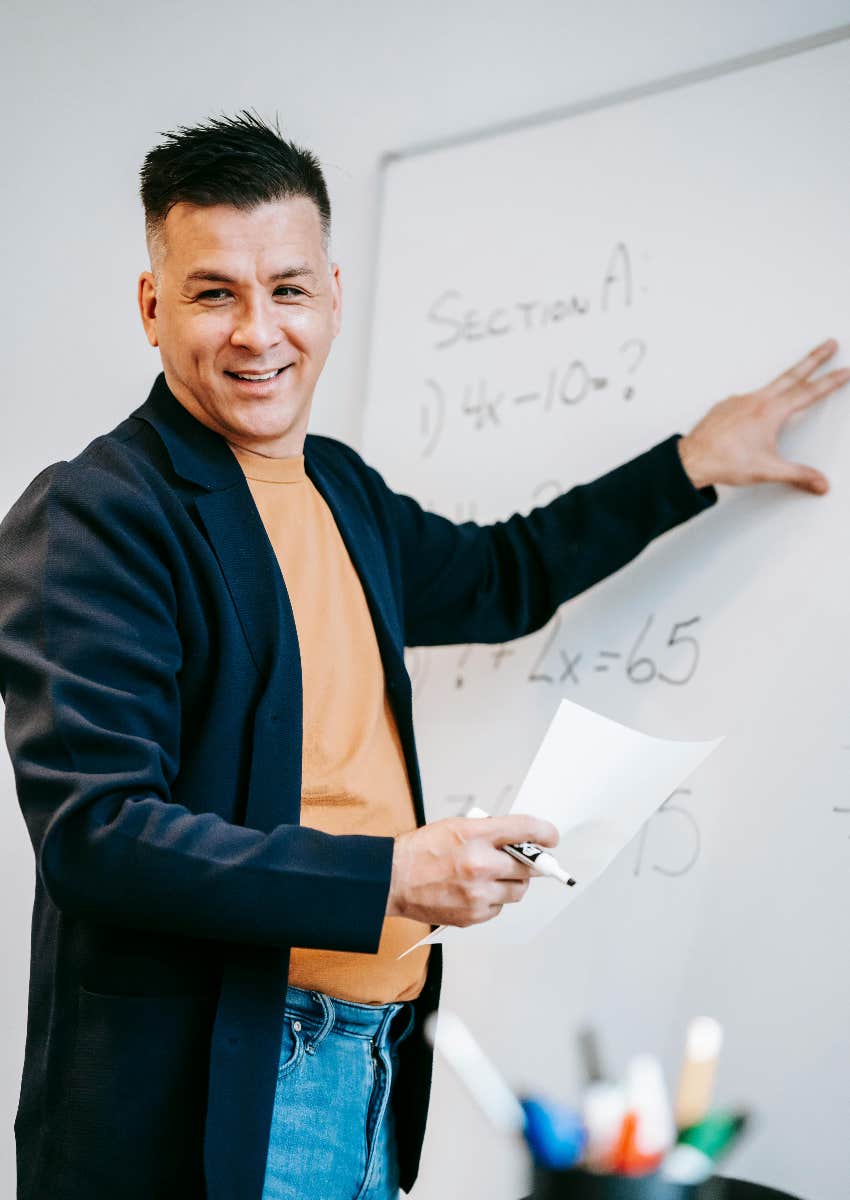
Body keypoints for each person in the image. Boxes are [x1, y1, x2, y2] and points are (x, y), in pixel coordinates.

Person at [0, 111, 846, 1200]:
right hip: (223, 1098)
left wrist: (689, 463)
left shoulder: (340, 487)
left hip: (373, 1065)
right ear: (153, 306)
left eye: (289, 289)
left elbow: (502, 578)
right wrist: (391, 875)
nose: (260, 332)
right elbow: (98, 834)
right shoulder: (97, 513)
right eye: (215, 292)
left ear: (334, 296)